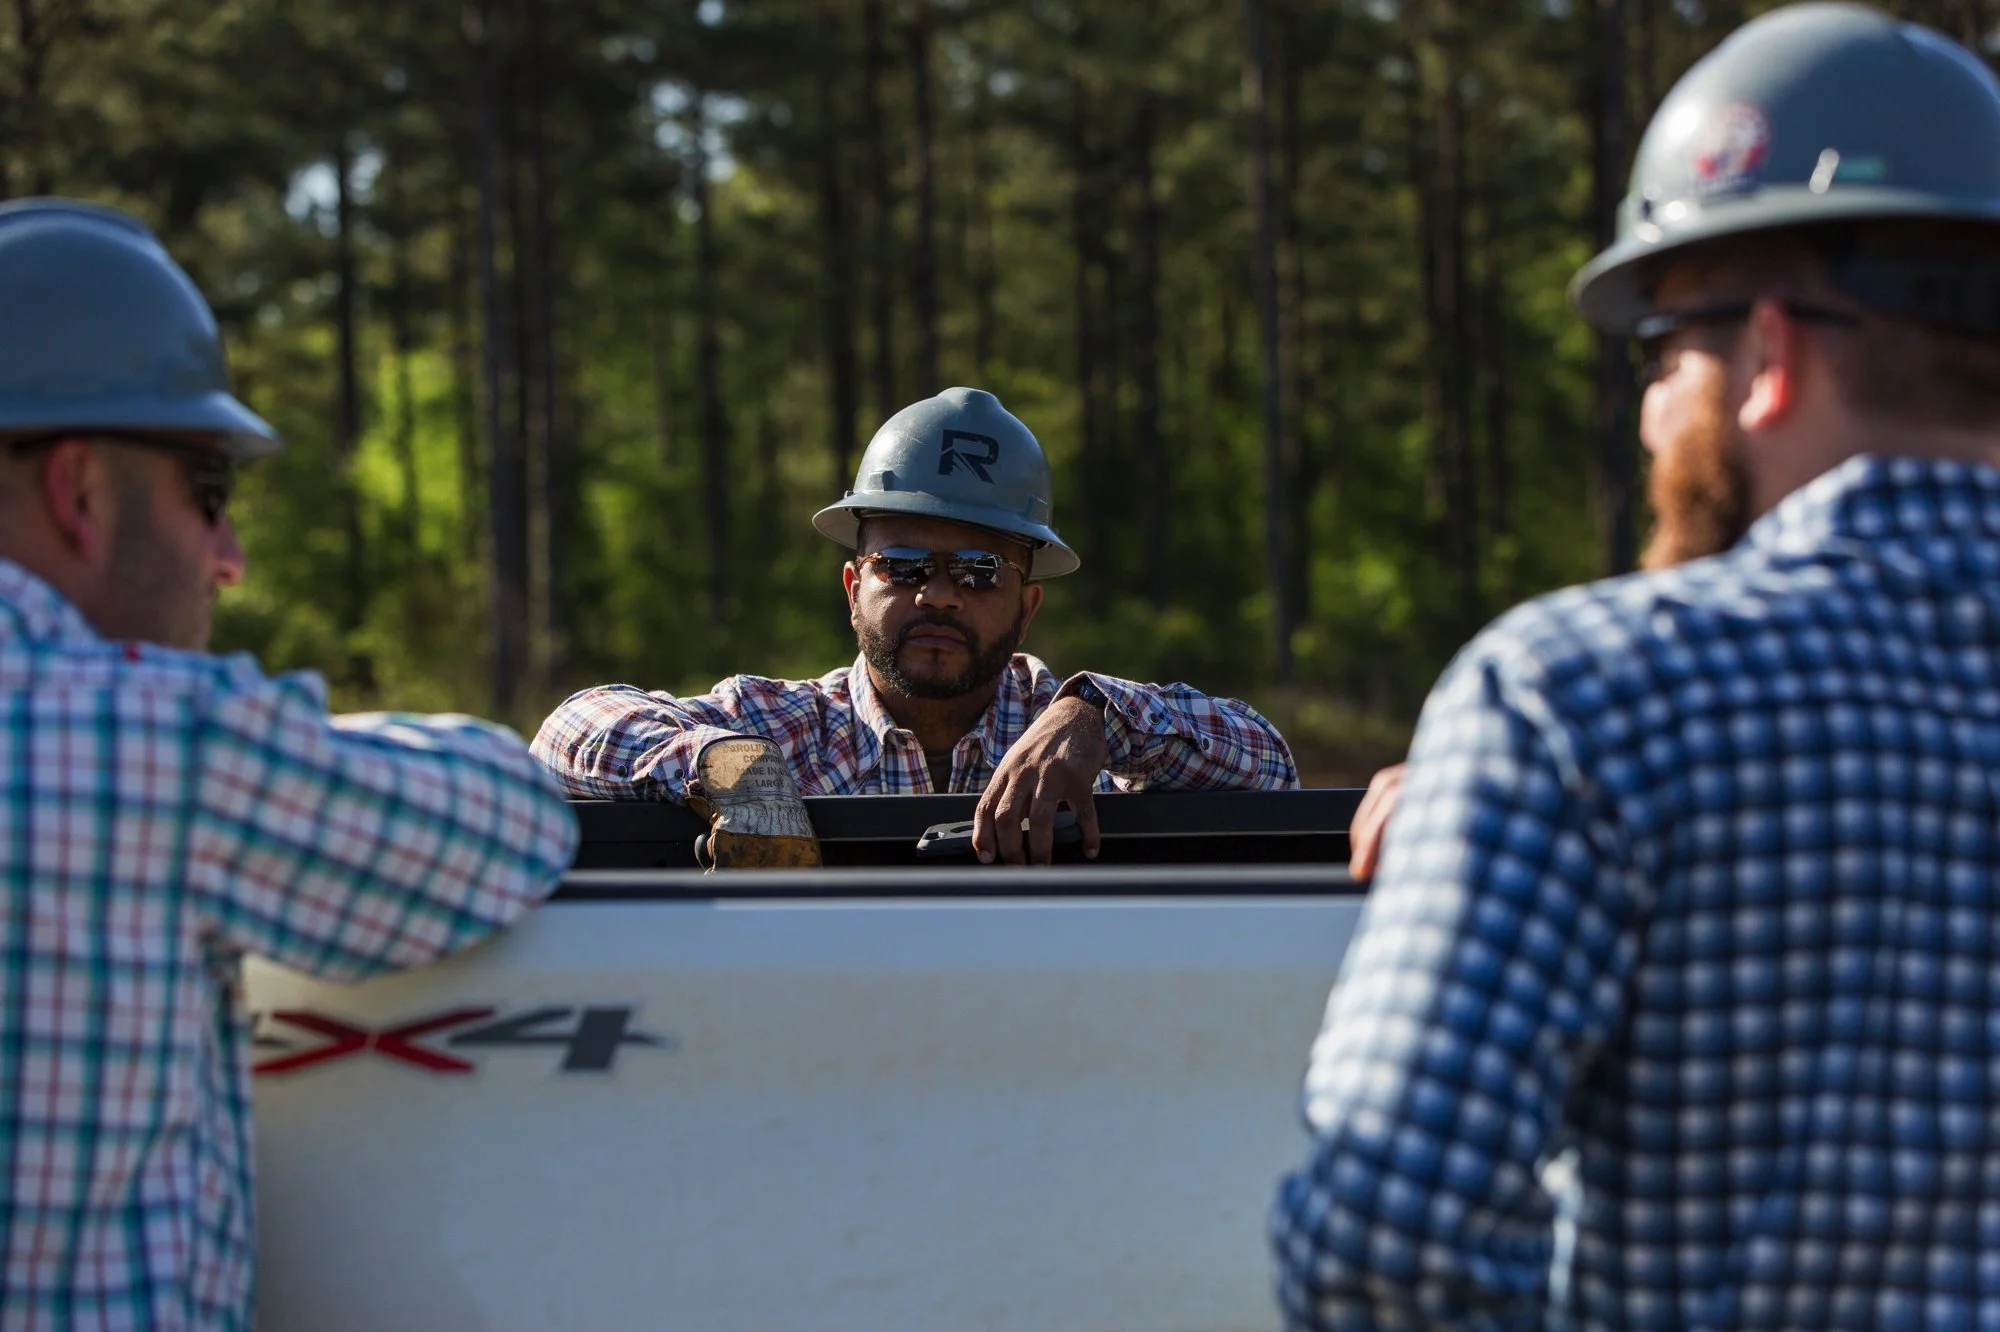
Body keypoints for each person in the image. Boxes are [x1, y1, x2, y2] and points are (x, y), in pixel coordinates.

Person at [1272, 5, 2000, 1328]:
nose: (1655, 405)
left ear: (1769, 353)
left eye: (1663, 349)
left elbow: (1388, 1241)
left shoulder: (1580, 696)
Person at [0, 198, 578, 1331]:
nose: (229, 557)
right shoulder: (153, 744)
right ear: (78, 490)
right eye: (209, 492)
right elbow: (508, 816)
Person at [533, 386, 1298, 866]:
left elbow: (1271, 766)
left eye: (978, 572)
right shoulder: (777, 728)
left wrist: (1097, 714)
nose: (937, 596)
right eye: (902, 565)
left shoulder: (1076, 740)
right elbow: (568, 732)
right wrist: (725, 767)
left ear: (1027, 607)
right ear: (852, 587)